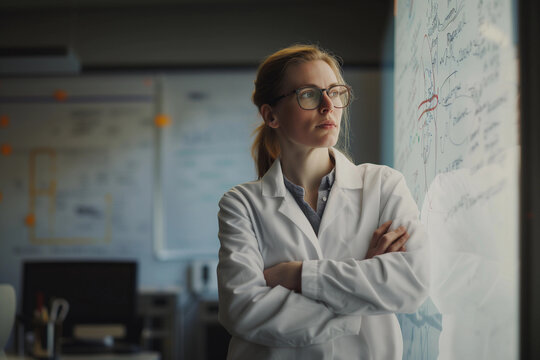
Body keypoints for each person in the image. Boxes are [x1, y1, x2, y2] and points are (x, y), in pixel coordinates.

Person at [217, 44, 430, 360]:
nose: (329, 105)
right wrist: (362, 295)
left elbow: (412, 284)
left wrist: (298, 276)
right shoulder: (242, 204)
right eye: (309, 95)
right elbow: (243, 310)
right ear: (271, 115)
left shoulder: (383, 185)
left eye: (335, 92)